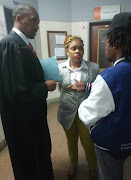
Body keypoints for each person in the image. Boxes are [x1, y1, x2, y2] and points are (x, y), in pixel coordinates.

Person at [0, 4, 56, 180]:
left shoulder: (23, 44)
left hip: (32, 118)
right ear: (18, 19)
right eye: (34, 20)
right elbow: (15, 90)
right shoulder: (10, 45)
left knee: (39, 156)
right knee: (28, 163)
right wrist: (45, 86)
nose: (37, 25)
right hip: (22, 123)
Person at [78, 12, 131, 180]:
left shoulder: (109, 77)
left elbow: (88, 115)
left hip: (110, 144)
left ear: (116, 43)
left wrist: (84, 100)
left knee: (110, 174)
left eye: (107, 40)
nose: (105, 45)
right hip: (130, 140)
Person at [57, 35, 99, 180]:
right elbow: (60, 89)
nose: (78, 51)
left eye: (80, 48)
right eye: (73, 48)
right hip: (66, 111)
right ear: (67, 51)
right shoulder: (60, 68)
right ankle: (73, 164)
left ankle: (93, 167)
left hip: (86, 112)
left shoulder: (93, 67)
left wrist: (86, 87)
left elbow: (97, 90)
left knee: (88, 142)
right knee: (71, 140)